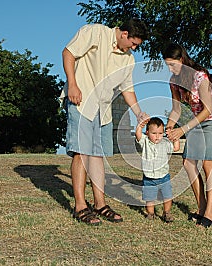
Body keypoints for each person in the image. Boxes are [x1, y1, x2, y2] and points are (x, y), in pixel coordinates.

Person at [60, 18, 149, 225]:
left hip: (104, 110)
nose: (134, 48)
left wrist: (139, 113)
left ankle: (99, 204)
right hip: (81, 101)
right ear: (124, 33)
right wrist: (72, 85)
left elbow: (128, 89)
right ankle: (80, 205)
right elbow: (68, 53)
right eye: (133, 43)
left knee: (98, 156)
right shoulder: (95, 33)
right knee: (82, 152)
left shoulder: (128, 59)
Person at [162, 43, 212, 228]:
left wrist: (182, 130)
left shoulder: (200, 76)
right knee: (188, 162)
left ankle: (210, 213)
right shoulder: (174, 81)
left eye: (173, 64)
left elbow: (207, 110)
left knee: (208, 164)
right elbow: (176, 110)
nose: (170, 69)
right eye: (167, 65)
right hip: (196, 121)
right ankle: (201, 207)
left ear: (182, 61)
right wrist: (169, 127)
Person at [135, 117, 180, 222]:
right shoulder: (145, 142)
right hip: (149, 179)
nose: (157, 136)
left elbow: (176, 148)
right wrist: (140, 125)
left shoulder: (164, 143)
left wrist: (175, 138)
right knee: (149, 198)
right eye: (154, 133)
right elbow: (138, 135)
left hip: (164, 177)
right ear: (147, 133)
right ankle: (150, 214)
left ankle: (167, 213)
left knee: (167, 197)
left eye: (160, 133)